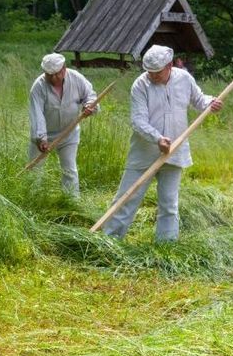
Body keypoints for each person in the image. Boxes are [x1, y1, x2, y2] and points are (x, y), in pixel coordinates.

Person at [101, 44, 222, 242]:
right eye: (149, 72)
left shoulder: (184, 78)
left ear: (170, 65)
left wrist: (211, 102)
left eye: (157, 72)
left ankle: (166, 244)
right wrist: (158, 139)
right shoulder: (140, 85)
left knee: (169, 202)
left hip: (175, 150)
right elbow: (138, 120)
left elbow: (199, 100)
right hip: (144, 151)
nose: (152, 76)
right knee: (126, 198)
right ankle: (111, 239)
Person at [27, 52, 98, 196]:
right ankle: (33, 200)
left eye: (56, 74)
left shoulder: (77, 79)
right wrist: (41, 138)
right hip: (45, 134)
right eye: (49, 74)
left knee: (69, 169)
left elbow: (90, 96)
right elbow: (37, 114)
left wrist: (89, 106)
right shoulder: (38, 87)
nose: (53, 78)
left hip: (69, 132)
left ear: (64, 69)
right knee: (34, 168)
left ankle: (72, 201)